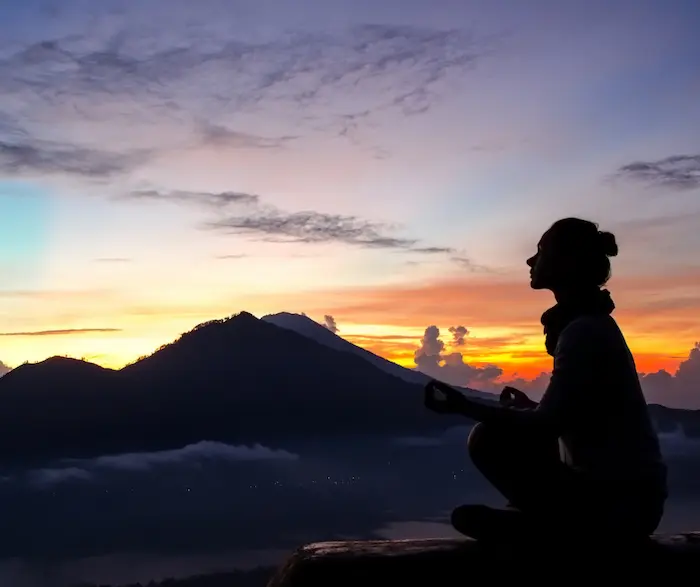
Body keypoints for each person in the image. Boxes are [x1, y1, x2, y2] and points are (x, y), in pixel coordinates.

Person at [424, 217, 667, 542]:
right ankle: (543, 522)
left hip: (619, 506)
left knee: (487, 439)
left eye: (540, 252)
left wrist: (465, 407)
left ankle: (552, 528)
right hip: (635, 500)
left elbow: (547, 425)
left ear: (566, 264)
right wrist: (532, 407)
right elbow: (580, 415)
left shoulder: (582, 332)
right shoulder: (590, 325)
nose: (530, 261)